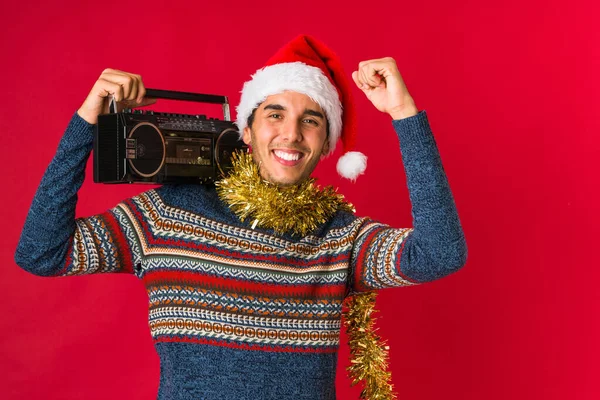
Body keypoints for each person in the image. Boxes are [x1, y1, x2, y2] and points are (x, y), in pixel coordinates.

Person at [15, 34, 467, 400]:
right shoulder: (168, 212)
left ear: (326, 142)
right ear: (246, 130)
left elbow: (440, 253)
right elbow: (42, 252)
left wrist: (404, 115)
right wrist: (86, 122)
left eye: (311, 120)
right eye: (275, 114)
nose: (291, 133)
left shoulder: (340, 236)